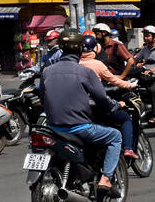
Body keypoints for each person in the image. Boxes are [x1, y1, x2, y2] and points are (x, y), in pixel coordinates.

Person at [39, 28, 123, 192]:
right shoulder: (85, 72)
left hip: (53, 128)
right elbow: (102, 99)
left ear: (61, 48)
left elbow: (43, 98)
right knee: (116, 136)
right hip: (79, 128)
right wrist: (116, 105)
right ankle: (106, 179)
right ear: (80, 49)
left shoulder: (47, 71)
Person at [79, 34, 139, 160]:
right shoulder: (98, 64)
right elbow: (114, 80)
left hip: (80, 108)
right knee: (125, 118)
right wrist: (130, 85)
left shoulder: (75, 64)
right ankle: (128, 148)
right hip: (97, 104)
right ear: (95, 49)